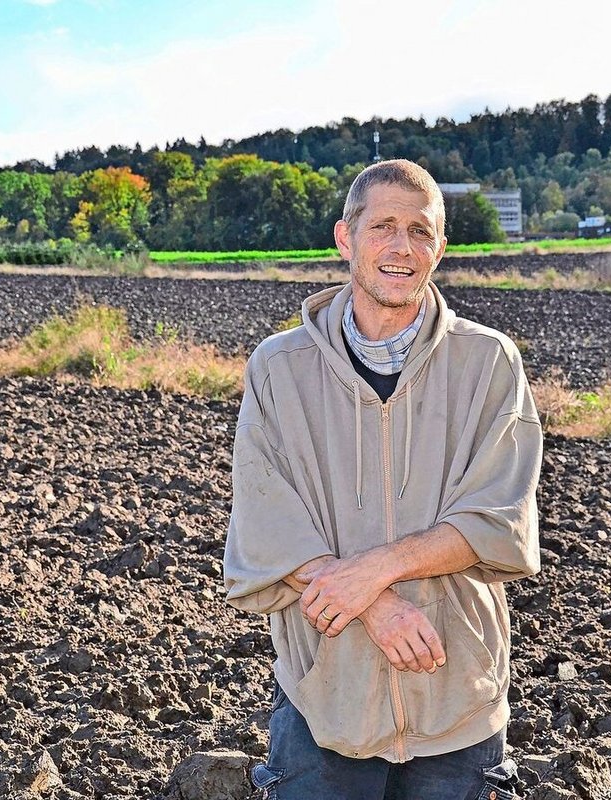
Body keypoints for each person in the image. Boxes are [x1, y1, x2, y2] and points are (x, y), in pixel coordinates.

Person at [223, 159, 542, 800]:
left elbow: (497, 519)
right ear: (346, 237)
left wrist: (377, 568)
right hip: (325, 697)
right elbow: (267, 526)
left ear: (441, 248)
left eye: (421, 232)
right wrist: (376, 602)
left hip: (455, 693)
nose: (402, 248)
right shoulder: (279, 369)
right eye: (384, 227)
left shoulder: (488, 362)